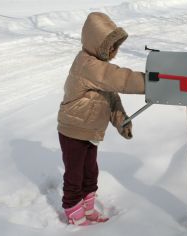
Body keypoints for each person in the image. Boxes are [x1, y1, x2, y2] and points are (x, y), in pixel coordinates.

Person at [57, 12, 145, 226]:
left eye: (115, 47)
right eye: (109, 46)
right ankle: (73, 211)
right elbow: (120, 79)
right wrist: (152, 82)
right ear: (95, 42)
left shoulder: (98, 68)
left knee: (90, 172)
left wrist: (121, 121)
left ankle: (87, 208)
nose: (113, 52)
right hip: (73, 130)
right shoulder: (87, 65)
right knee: (74, 174)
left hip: (90, 131)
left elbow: (112, 98)